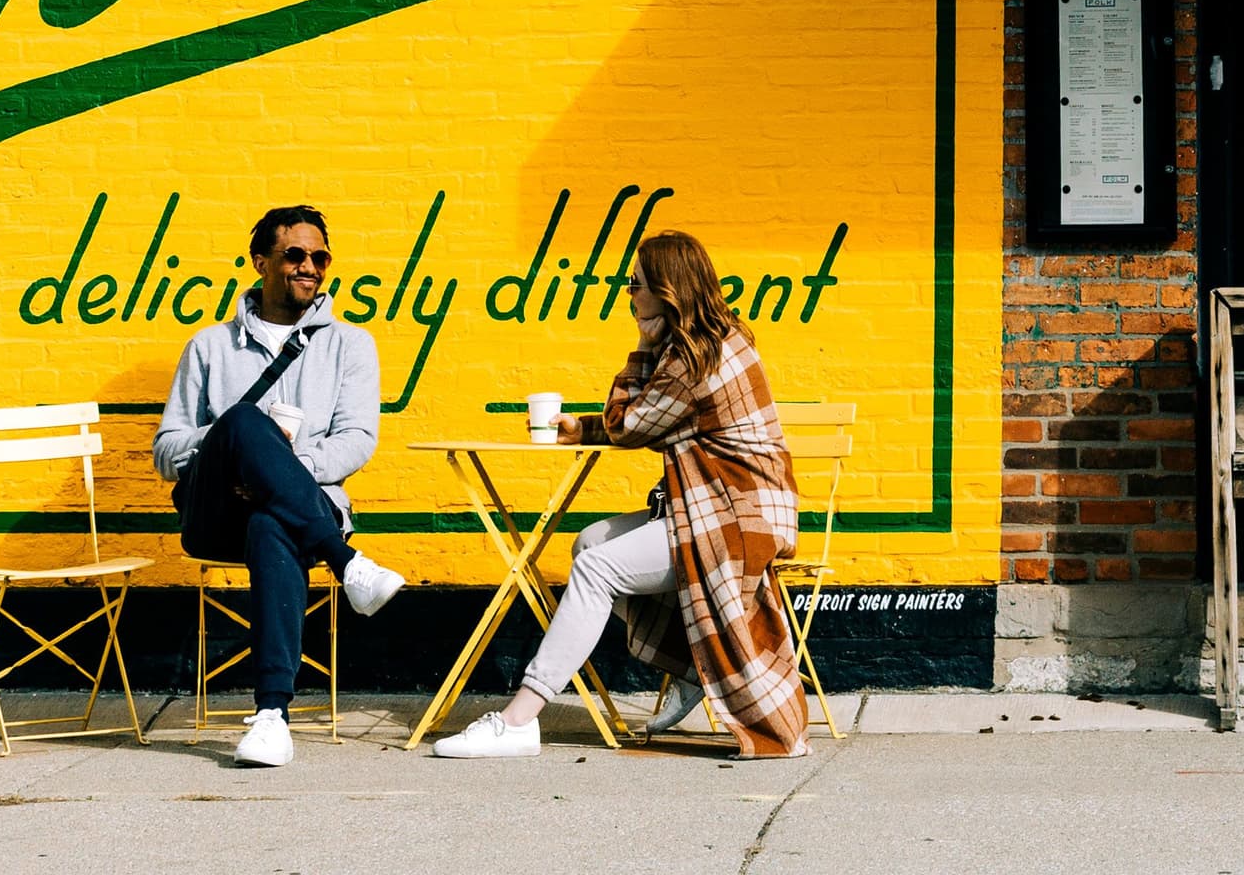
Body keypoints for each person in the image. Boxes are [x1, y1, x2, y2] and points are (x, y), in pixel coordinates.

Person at [436, 227, 806, 760]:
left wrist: (640, 344)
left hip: (737, 519)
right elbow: (653, 423)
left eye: (635, 285)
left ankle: (519, 719)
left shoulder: (697, 360)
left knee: (597, 569)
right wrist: (582, 429)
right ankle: (690, 664)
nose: (628, 294)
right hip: (712, 505)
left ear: (667, 289)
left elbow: (631, 424)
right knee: (590, 543)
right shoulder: (707, 343)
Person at [153, 202, 407, 767]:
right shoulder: (209, 347)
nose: (309, 267)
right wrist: (236, 451)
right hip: (216, 514)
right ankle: (348, 563)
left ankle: (271, 716)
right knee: (244, 422)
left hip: (296, 515)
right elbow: (167, 452)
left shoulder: (350, 345)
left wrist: (284, 471)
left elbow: (358, 439)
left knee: (273, 523)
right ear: (261, 261)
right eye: (295, 255)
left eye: (320, 257)